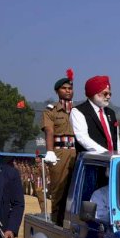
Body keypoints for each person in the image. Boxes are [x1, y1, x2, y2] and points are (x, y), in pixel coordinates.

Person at [42, 69, 77, 225]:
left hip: (77, 151)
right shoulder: (51, 111)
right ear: (57, 91)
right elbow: (49, 130)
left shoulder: (78, 110)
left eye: (70, 88)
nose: (68, 91)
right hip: (60, 153)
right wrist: (49, 151)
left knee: (77, 189)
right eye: (64, 88)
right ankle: (57, 221)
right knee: (59, 189)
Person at [71, 75, 120, 153]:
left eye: (110, 94)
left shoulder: (111, 113)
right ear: (94, 93)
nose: (108, 97)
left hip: (111, 160)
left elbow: (116, 138)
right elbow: (82, 138)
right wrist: (105, 153)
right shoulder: (78, 111)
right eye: (105, 93)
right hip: (91, 161)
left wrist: (117, 155)